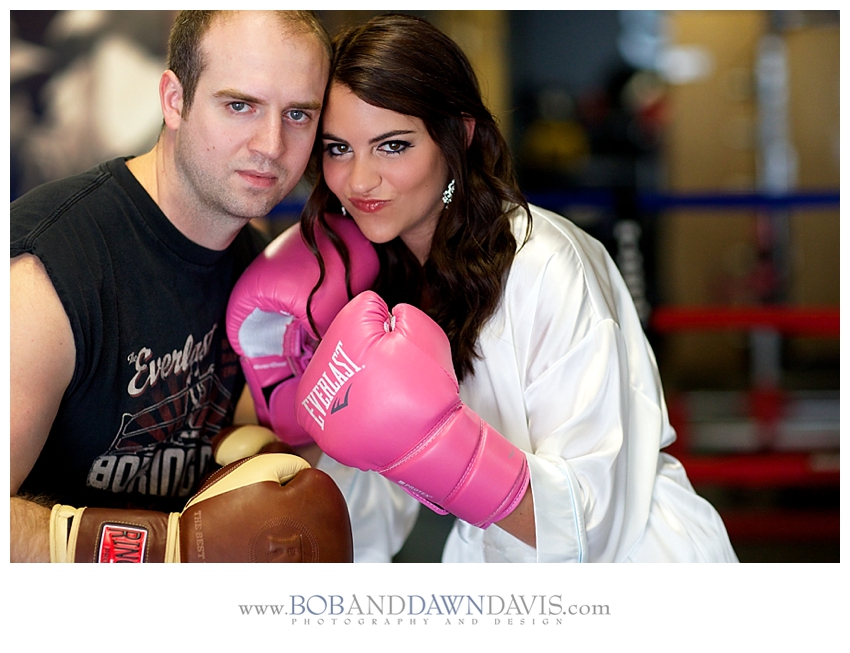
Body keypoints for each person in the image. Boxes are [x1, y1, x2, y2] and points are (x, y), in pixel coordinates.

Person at [239, 12, 738, 563]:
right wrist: (301, 423)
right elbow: (372, 522)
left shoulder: (544, 264)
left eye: (393, 146)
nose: (359, 180)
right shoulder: (379, 281)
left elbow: (594, 524)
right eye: (338, 148)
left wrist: (446, 453)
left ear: (459, 135)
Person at [10, 10, 345, 563]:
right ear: (174, 100)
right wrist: (172, 550)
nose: (272, 144)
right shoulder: (47, 274)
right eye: (239, 105)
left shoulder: (259, 269)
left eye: (297, 114)